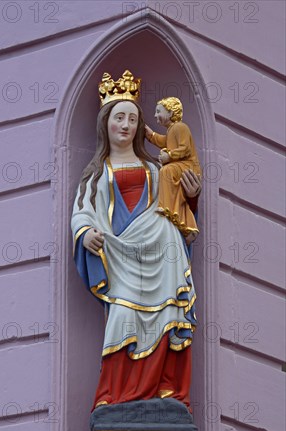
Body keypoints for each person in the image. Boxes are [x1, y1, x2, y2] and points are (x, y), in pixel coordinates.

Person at [71, 71, 201, 411]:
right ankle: (114, 397)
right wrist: (85, 234)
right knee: (123, 318)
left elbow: (176, 206)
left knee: (169, 315)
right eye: (119, 118)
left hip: (163, 250)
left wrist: (191, 197)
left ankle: (168, 391)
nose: (126, 125)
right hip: (120, 256)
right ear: (106, 124)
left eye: (132, 119)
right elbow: (83, 210)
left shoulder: (154, 167)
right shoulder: (97, 173)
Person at [145, 97, 201, 246]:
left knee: (166, 171)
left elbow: (185, 148)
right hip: (180, 165)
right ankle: (182, 219)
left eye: (159, 112)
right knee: (167, 173)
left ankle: (166, 208)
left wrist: (169, 156)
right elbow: (163, 141)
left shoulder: (180, 127)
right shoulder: (172, 130)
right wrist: (149, 135)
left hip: (187, 166)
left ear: (170, 113)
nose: (156, 116)